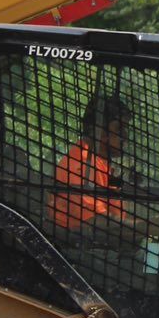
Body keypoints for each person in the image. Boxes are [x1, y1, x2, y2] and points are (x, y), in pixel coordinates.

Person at [48, 96, 130, 233]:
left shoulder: (100, 163)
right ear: (97, 130)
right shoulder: (80, 165)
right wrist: (149, 227)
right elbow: (95, 223)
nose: (125, 136)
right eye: (119, 129)